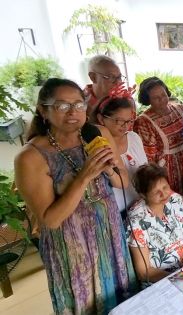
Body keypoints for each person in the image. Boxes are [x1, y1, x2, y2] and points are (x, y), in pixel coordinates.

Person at [14, 78, 136, 313]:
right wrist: (83, 177)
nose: (73, 112)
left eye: (79, 105)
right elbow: (50, 220)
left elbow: (123, 180)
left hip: (109, 233)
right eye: (62, 106)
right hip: (72, 247)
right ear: (43, 110)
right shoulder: (30, 157)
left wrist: (109, 167)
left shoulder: (96, 132)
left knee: (121, 296)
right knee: (86, 303)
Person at [127, 163, 183, 286]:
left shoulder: (175, 200)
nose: (164, 194)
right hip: (162, 280)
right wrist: (180, 279)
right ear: (143, 195)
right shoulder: (137, 220)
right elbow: (143, 271)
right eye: (156, 192)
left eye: (165, 187)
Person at [134, 77, 183, 202]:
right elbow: (149, 157)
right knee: (171, 205)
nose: (162, 100)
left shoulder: (180, 109)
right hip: (166, 172)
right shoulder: (144, 122)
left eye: (163, 94)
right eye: (156, 98)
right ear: (147, 100)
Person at [96, 87, 148, 213]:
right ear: (101, 119)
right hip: (115, 211)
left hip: (141, 206)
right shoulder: (97, 146)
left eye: (129, 121)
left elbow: (144, 169)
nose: (125, 126)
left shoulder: (134, 137)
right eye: (119, 121)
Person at [84, 55, 126, 123]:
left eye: (119, 77)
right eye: (111, 77)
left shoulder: (124, 99)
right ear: (93, 77)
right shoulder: (80, 105)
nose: (118, 82)